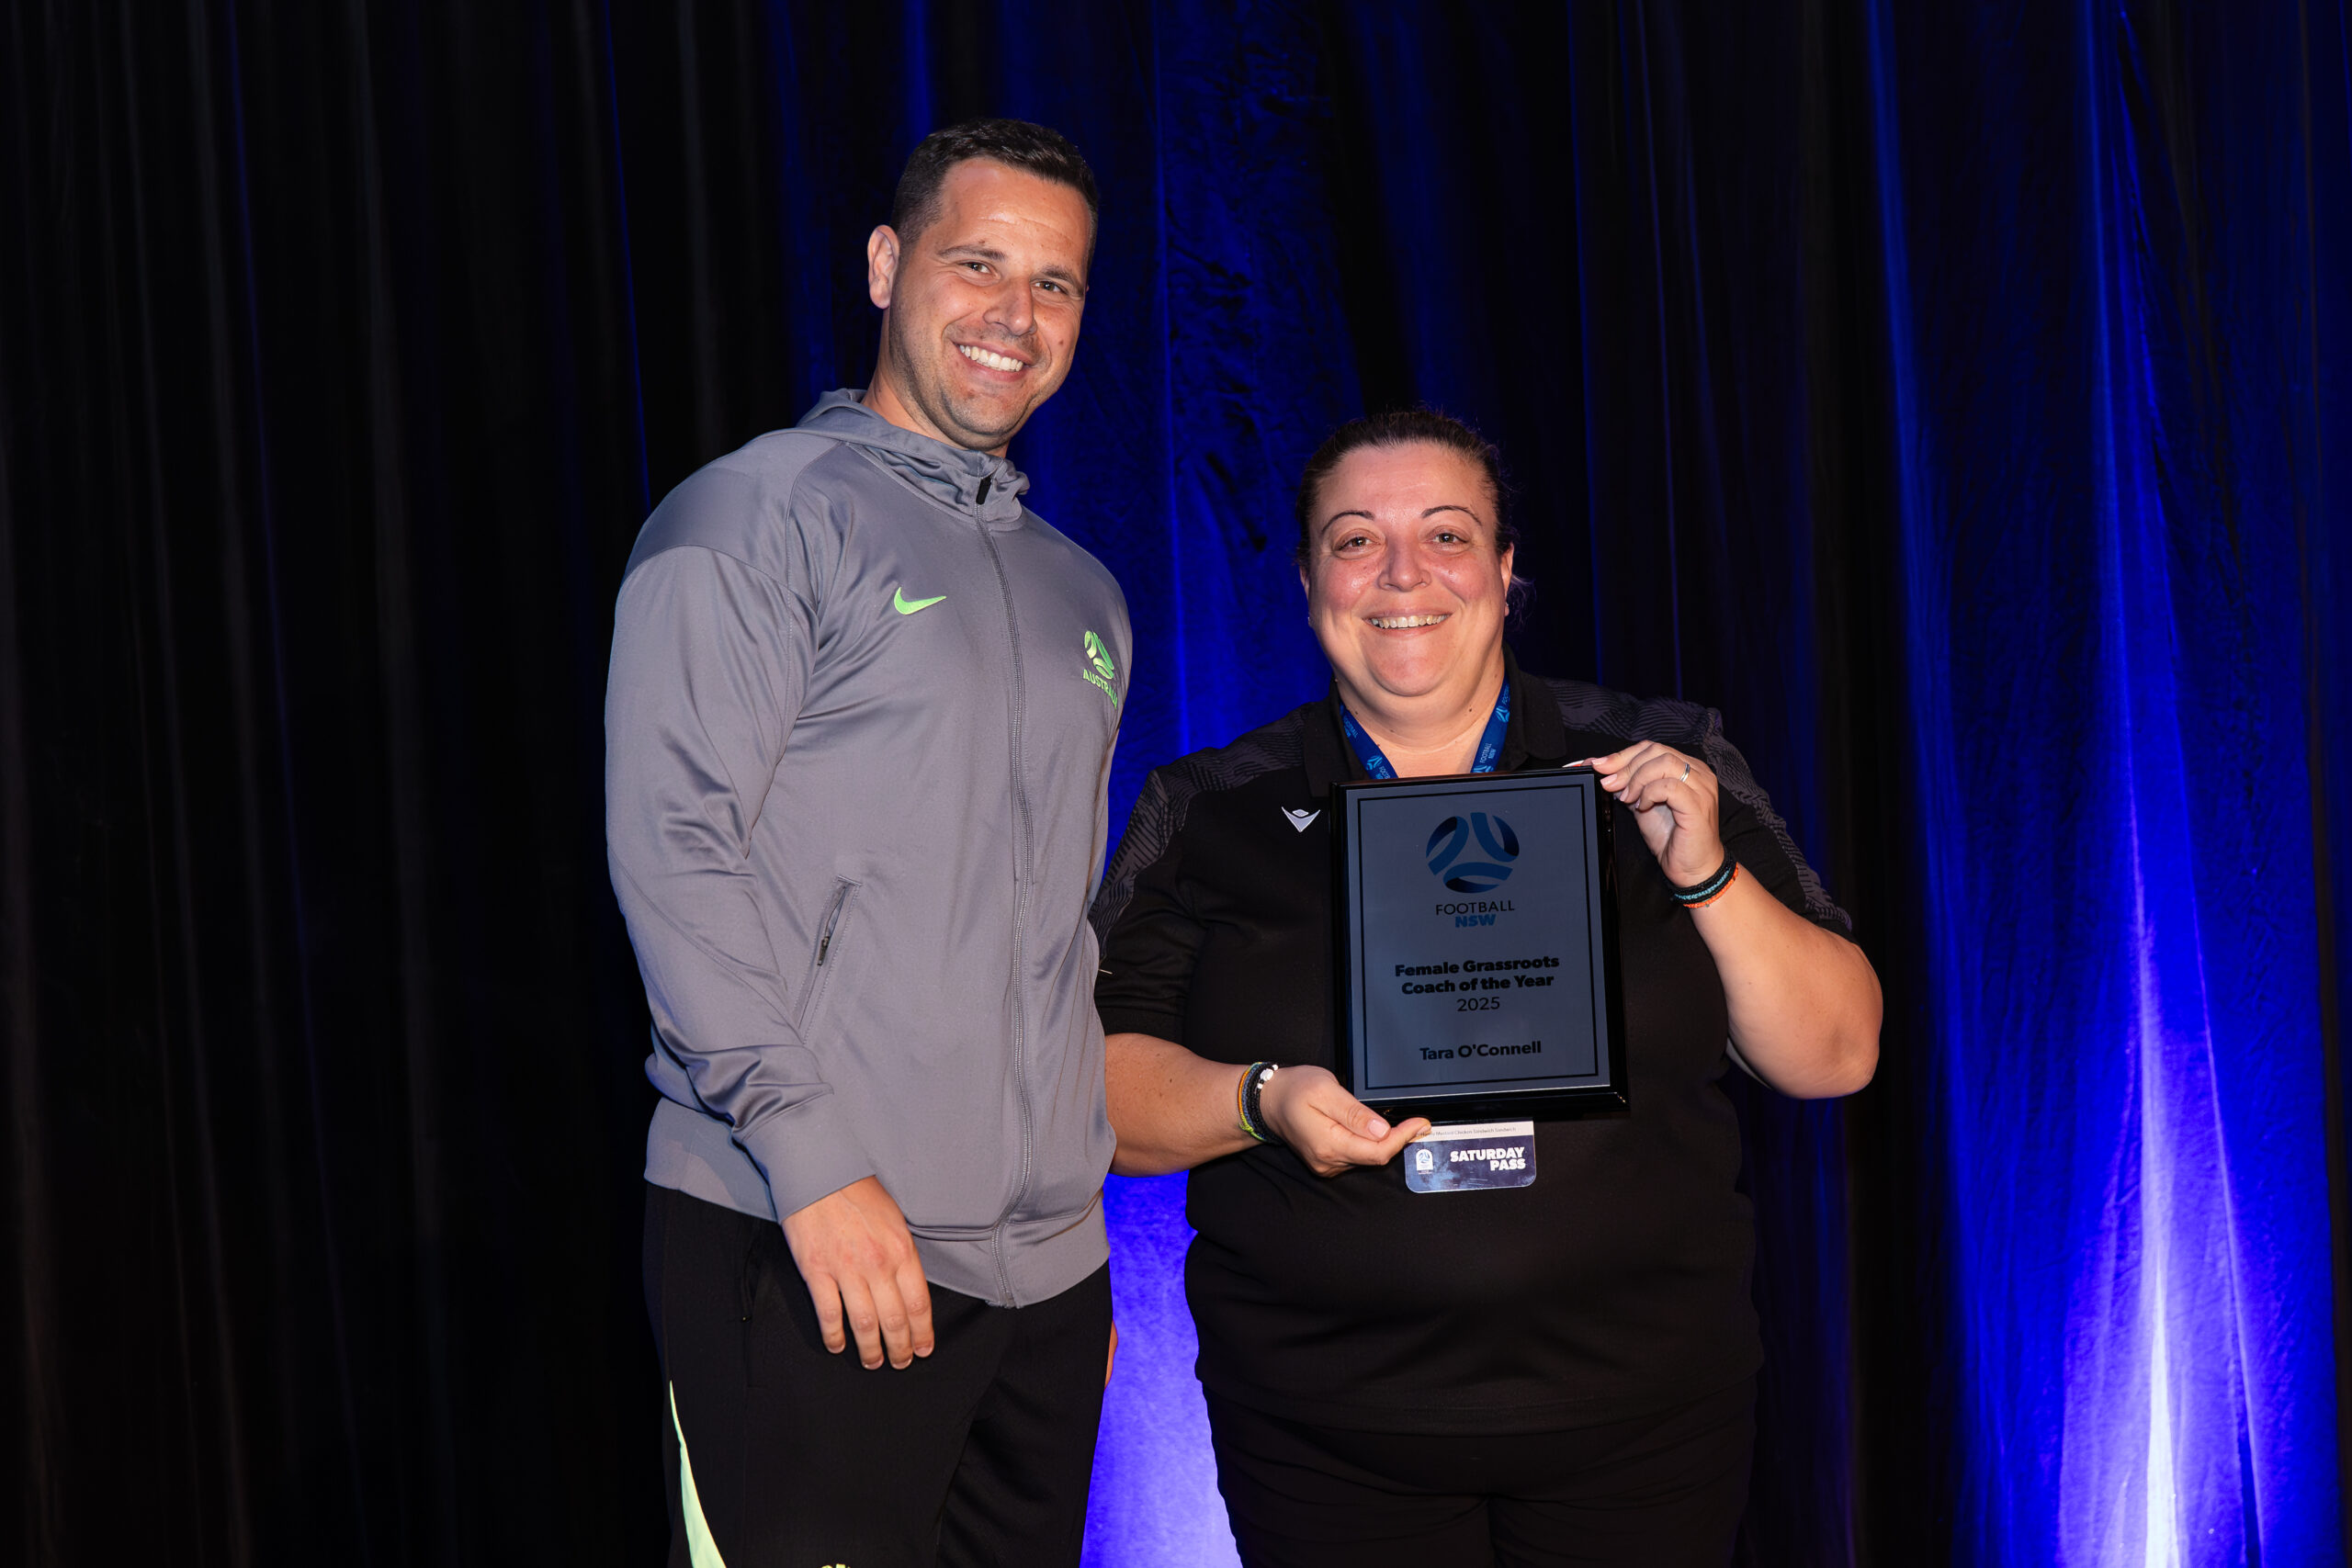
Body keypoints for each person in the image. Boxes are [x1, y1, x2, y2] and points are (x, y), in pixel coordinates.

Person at [1091, 410, 1881, 1567]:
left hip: (1642, 1418)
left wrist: (1704, 871)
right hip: (1327, 1430)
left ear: (1507, 573)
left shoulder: (1658, 759)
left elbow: (1837, 1055)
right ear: (1308, 576)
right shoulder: (1210, 808)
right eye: (1355, 539)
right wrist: (1262, 1101)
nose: (1403, 574)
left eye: (1448, 535)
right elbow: (1095, 1097)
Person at [606, 119, 1127, 1567]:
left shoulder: (1082, 591)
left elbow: (1052, 937)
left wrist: (1071, 1254)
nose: (1015, 316)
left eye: (1057, 284)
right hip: (811, 1229)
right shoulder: (752, 517)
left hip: (1040, 1278)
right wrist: (815, 1162)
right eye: (979, 264)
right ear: (890, 266)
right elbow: (674, 853)